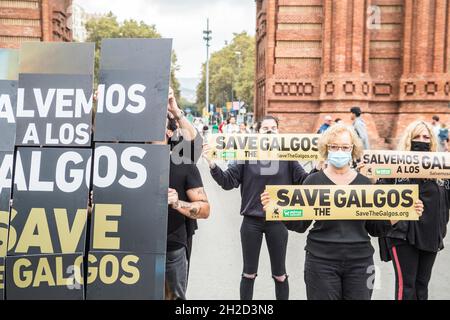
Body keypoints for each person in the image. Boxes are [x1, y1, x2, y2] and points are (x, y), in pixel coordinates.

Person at [261, 124, 424, 300]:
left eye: (345, 147)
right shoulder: (313, 181)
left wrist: (401, 213)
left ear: (352, 149)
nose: (340, 150)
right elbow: (300, 224)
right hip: (320, 261)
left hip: (361, 264)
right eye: (334, 146)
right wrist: (278, 208)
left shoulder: (365, 183)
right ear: (326, 148)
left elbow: (375, 228)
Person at [202, 116, 311, 300]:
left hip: (278, 220)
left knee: (280, 274)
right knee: (248, 273)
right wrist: (211, 164)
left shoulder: (288, 157)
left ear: (279, 131)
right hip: (251, 222)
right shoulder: (246, 155)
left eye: (273, 128)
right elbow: (228, 182)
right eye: (265, 128)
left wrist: (320, 167)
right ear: (257, 133)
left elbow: (305, 181)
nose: (270, 131)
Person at [377, 121, 449, 300]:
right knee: (406, 286)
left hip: (431, 234)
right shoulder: (395, 167)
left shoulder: (441, 170)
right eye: (416, 137)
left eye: (426, 137)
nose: (421, 141)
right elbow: (379, 195)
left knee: (422, 286)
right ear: (408, 140)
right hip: (402, 233)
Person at [165, 115, 211, 300]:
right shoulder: (125, 159)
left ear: (169, 133)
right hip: (134, 245)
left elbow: (205, 209)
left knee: (173, 297)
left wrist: (177, 203)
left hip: (172, 245)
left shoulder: (182, 162)